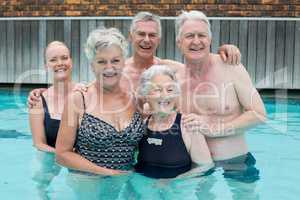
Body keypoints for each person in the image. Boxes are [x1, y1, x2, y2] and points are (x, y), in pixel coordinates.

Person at [27, 11, 241, 107]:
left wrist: (225, 50)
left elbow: (201, 64)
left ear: (159, 39)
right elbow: (83, 91)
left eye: (152, 35)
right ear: (131, 37)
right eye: (141, 34)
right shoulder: (116, 70)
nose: (146, 40)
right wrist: (44, 93)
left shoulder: (170, 69)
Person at [175, 10, 267, 182]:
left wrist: (215, 130)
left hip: (236, 162)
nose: (196, 41)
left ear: (210, 40)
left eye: (201, 35)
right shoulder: (174, 78)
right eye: (189, 36)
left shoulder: (231, 67)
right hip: (196, 167)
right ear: (179, 42)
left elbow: (259, 114)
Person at [55, 27, 145, 175]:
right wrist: (106, 172)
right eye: (102, 62)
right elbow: (62, 155)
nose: (109, 68)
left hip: (127, 183)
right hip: (89, 183)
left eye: (115, 60)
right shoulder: (78, 100)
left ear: (124, 62)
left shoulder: (135, 100)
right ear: (92, 65)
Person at [134, 65, 213, 179]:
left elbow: (205, 167)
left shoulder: (188, 125)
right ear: (146, 95)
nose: (165, 95)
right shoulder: (141, 127)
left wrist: (174, 182)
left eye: (170, 90)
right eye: (157, 90)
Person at [28, 41, 76, 198]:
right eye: (53, 59)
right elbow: (39, 143)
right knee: (40, 183)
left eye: (64, 58)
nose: (60, 63)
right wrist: (63, 155)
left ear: (71, 61)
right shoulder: (38, 100)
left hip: (80, 157)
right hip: (50, 156)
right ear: (45, 65)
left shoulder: (86, 93)